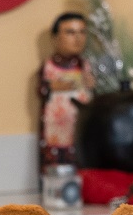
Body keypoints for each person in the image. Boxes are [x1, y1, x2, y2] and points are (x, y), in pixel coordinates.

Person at [37, 12, 94, 166]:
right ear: (55, 38)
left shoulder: (85, 66)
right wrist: (68, 84)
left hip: (80, 131)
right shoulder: (49, 66)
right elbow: (43, 88)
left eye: (82, 32)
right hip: (56, 132)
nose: (78, 38)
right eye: (70, 32)